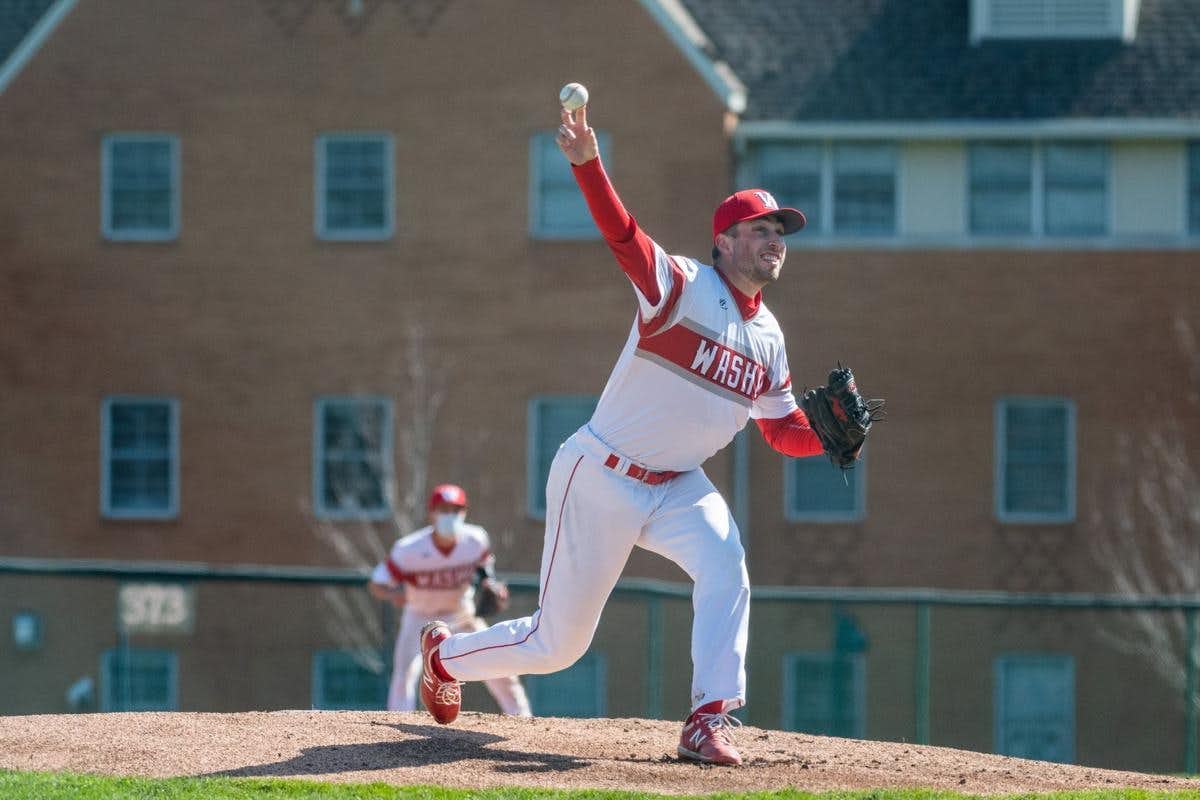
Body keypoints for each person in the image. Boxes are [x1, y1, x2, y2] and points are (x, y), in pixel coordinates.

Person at [417, 101, 827, 766]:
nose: (775, 237)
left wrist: (833, 440)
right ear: (724, 241)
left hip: (679, 486)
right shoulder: (684, 285)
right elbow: (625, 238)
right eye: (760, 227)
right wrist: (588, 167)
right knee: (558, 645)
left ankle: (708, 717)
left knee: (726, 565)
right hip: (602, 474)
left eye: (780, 229)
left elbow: (783, 431)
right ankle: (445, 654)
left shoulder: (770, 339)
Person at [369, 483, 531, 718]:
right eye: (443, 509)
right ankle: (398, 724)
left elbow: (485, 568)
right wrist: (394, 594)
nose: (450, 516)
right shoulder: (409, 549)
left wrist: (491, 584)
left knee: (501, 669)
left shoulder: (475, 539)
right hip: (420, 618)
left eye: (456, 510)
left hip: (461, 615)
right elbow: (377, 584)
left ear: (464, 512)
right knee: (404, 675)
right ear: (431, 513)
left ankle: (523, 720)